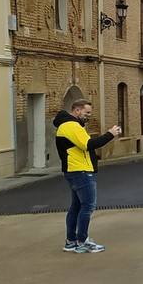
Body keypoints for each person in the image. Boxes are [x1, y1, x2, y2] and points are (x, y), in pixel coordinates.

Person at [54, 99, 120, 253]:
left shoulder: (68, 125)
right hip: (80, 170)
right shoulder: (71, 126)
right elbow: (88, 144)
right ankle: (82, 241)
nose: (88, 116)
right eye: (87, 113)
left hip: (74, 170)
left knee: (76, 206)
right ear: (77, 110)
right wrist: (110, 134)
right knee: (88, 206)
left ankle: (71, 241)